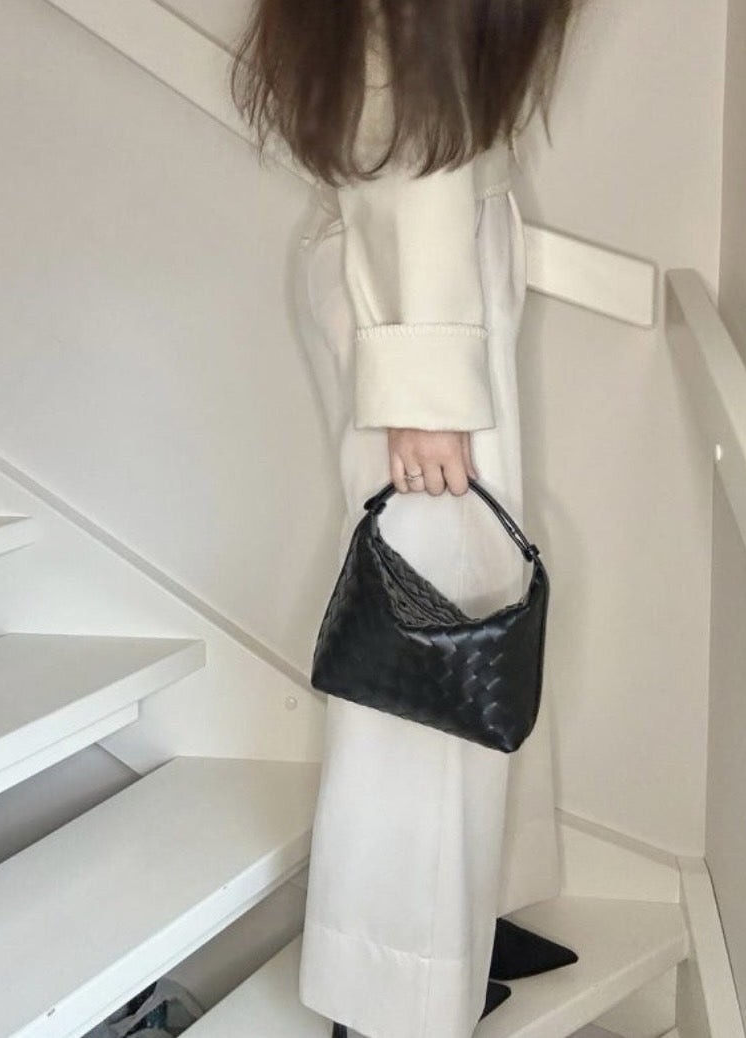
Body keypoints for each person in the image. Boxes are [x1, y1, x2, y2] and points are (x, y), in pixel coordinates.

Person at [233, 3, 578, 1035]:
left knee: (474, 622)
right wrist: (422, 387)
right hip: (416, 313)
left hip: (435, 293)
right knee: (428, 657)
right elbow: (408, 155)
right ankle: (389, 983)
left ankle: (461, 922)